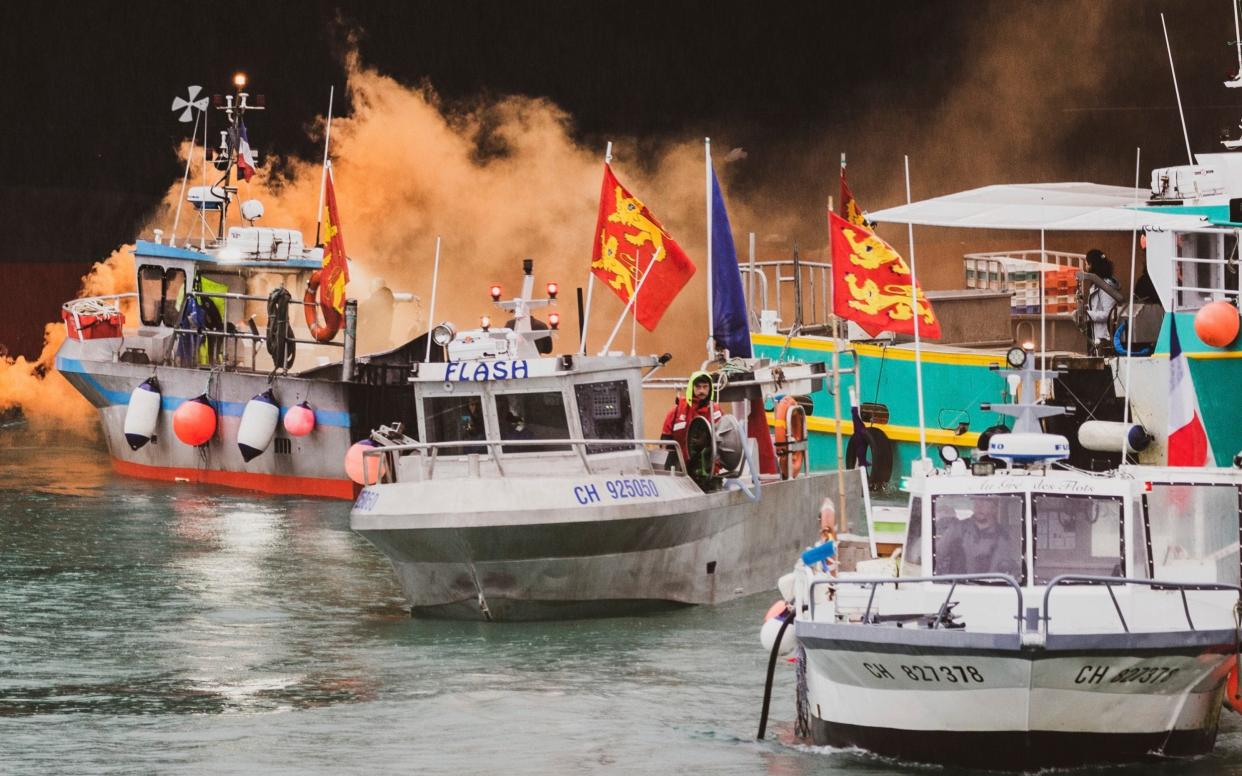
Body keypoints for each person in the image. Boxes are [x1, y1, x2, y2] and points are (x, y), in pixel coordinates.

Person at [937, 498, 1020, 578]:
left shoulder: (1005, 537)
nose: (979, 505)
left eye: (985, 501)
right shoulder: (956, 530)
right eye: (976, 501)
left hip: (995, 589)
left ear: (995, 508)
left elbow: (1016, 569)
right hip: (958, 588)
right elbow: (936, 555)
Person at [660, 371, 723, 471]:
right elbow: (665, 442)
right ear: (691, 387)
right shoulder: (677, 411)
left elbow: (724, 442)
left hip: (709, 471)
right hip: (680, 470)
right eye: (698, 387)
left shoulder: (716, 411)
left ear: (710, 388)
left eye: (705, 387)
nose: (701, 390)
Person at [1082, 248, 1120, 356]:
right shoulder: (1099, 285)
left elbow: (1109, 314)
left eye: (1086, 263)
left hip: (1105, 338)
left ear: (1092, 265)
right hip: (1100, 337)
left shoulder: (1105, 287)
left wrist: (1088, 314)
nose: (1085, 267)